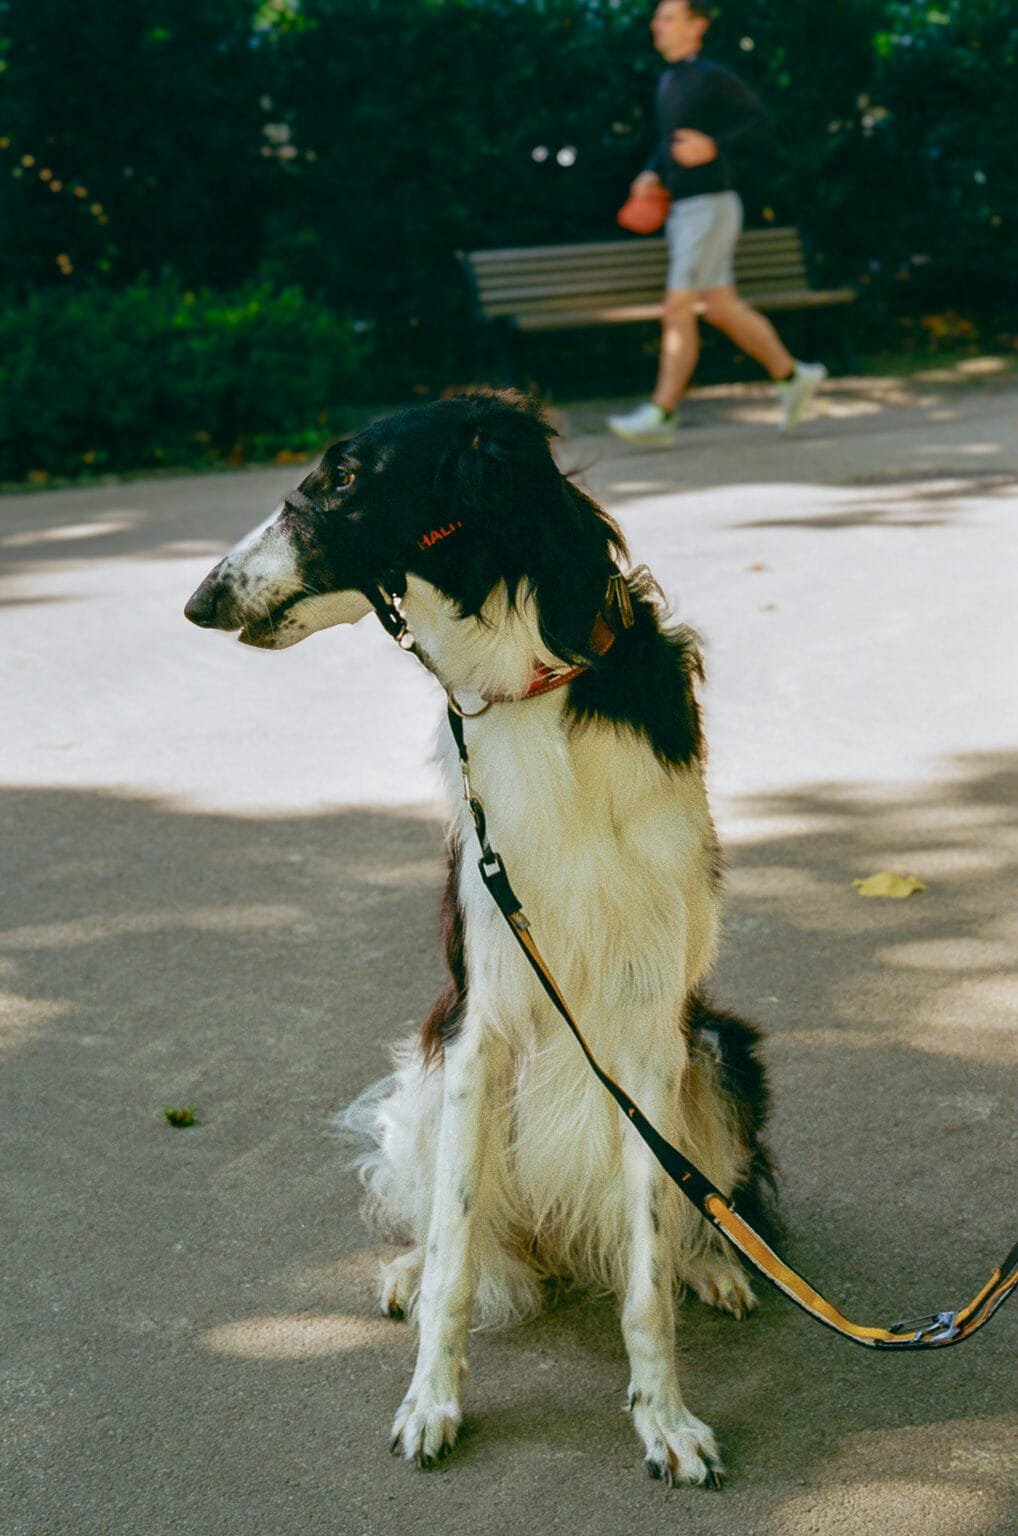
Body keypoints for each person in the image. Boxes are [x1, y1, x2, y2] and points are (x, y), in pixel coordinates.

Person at [608, 0, 826, 446]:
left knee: (677, 308)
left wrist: (716, 147)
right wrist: (651, 170)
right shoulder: (668, 80)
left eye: (668, 16)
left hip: (710, 205)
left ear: (697, 25)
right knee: (722, 307)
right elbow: (668, 142)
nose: (657, 25)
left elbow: (760, 122)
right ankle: (792, 376)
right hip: (686, 208)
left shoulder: (710, 75)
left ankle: (661, 414)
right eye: (657, 17)